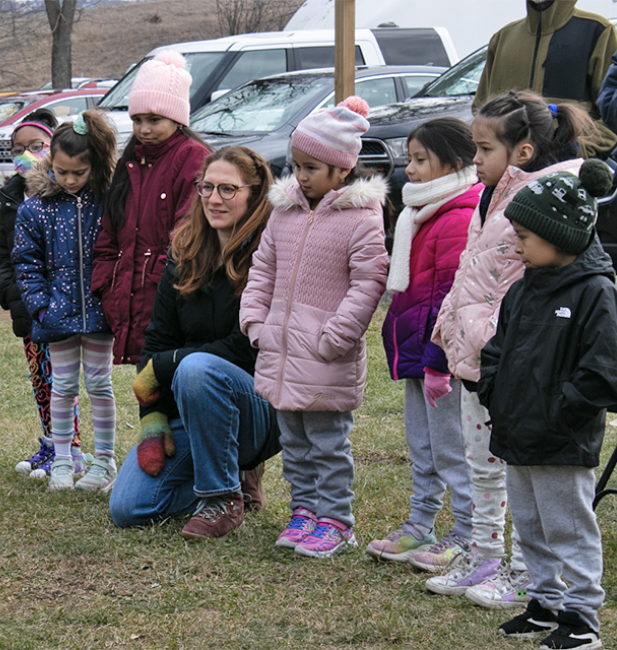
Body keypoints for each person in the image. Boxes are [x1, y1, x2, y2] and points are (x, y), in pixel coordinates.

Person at [430, 90, 598, 605]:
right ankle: (485, 557)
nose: (474, 159)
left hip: (505, 363)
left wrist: (485, 341)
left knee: (516, 475)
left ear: (521, 152)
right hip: (477, 357)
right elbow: (472, 275)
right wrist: (450, 328)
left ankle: (528, 571)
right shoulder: (493, 194)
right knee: (483, 464)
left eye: (483, 149)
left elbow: (520, 291)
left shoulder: (542, 205)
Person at [239, 97, 389, 559]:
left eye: (312, 167)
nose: (300, 176)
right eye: (297, 165)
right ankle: (304, 510)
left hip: (326, 355)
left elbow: (368, 283)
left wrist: (337, 336)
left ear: (341, 170)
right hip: (281, 350)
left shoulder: (361, 220)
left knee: (328, 443)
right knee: (295, 441)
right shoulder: (283, 213)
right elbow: (262, 269)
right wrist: (255, 321)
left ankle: (337, 521)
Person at [477, 159, 617, 650]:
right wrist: (493, 389)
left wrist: (562, 412)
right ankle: (544, 602)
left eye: (524, 236)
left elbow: (603, 370)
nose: (516, 245)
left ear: (561, 236)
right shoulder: (523, 288)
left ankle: (582, 618)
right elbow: (496, 349)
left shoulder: (596, 293)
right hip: (517, 433)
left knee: (568, 527)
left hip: (561, 440)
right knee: (531, 524)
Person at [108, 146, 281, 540]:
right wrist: (152, 416)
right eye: (207, 188)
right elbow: (157, 340)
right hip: (190, 403)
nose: (214, 199)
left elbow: (245, 347)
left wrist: (166, 367)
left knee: (196, 368)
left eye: (228, 190)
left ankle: (223, 497)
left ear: (254, 194)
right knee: (129, 508)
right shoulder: (184, 251)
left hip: (257, 404)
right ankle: (229, 474)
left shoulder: (270, 255)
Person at [367, 118, 481, 567]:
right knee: (423, 446)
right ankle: (420, 522)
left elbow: (449, 300)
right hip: (419, 354)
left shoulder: (457, 217)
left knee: (454, 449)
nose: (409, 170)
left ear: (454, 163)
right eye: (409, 159)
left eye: (420, 160)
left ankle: (469, 534)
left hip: (442, 361)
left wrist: (437, 359)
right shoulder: (421, 212)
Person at [12, 110, 119, 493]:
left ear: (94, 165)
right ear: (50, 163)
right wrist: (41, 306)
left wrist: (110, 300)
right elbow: (26, 262)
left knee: (100, 383)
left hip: (99, 315)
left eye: (79, 172)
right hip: (56, 316)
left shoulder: (108, 202)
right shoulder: (34, 209)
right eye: (61, 171)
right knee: (63, 387)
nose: (70, 180)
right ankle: (62, 458)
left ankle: (105, 460)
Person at [92, 51, 211, 366]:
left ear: (176, 117)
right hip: (133, 295)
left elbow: (190, 233)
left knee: (174, 387)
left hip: (174, 297)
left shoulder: (194, 158)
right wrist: (108, 283)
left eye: (154, 119)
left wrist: (164, 283)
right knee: (148, 390)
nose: (144, 129)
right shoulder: (129, 162)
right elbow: (110, 232)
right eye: (137, 120)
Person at [0, 108, 88, 479]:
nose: (25, 154)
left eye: (35, 146)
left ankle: (71, 447)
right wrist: (8, 292)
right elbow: (4, 253)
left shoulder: (66, 193)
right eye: (17, 148)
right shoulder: (11, 196)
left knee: (61, 378)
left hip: (59, 304)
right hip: (25, 303)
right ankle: (52, 442)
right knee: (40, 378)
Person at [472, 0, 617, 159]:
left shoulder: (597, 31)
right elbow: (482, 110)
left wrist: (575, 154)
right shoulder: (503, 38)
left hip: (571, 174)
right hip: (508, 177)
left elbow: (610, 115)